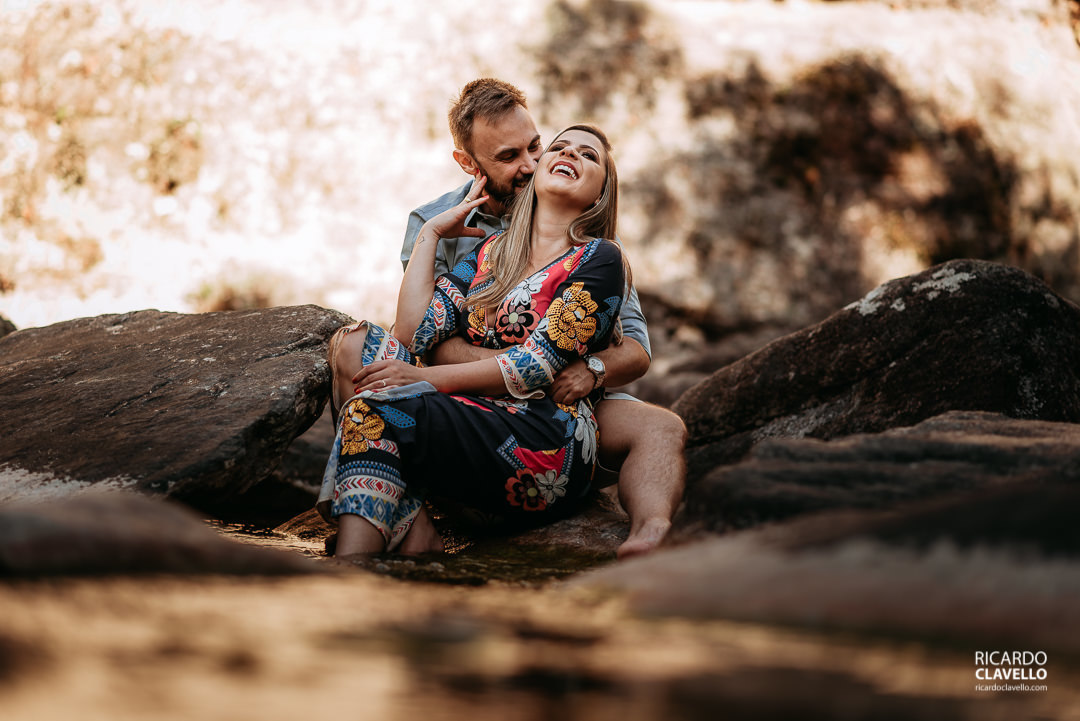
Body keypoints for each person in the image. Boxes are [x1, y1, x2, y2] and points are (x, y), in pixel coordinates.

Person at [397, 79, 685, 558]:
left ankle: (650, 536)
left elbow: (635, 349)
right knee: (353, 349)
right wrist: (524, 366)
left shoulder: (592, 246)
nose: (530, 166)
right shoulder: (441, 222)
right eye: (510, 157)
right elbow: (424, 339)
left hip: (561, 397)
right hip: (472, 382)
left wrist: (589, 370)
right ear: (469, 164)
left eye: (536, 146)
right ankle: (410, 516)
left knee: (662, 427)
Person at [318, 124, 630, 556]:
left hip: (544, 438)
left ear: (600, 194)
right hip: (476, 414)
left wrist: (426, 380)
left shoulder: (599, 258)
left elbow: (534, 365)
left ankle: (353, 569)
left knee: (374, 407)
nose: (570, 154)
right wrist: (430, 234)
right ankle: (414, 529)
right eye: (559, 147)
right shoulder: (491, 253)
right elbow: (414, 332)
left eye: (588, 156)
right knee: (359, 344)